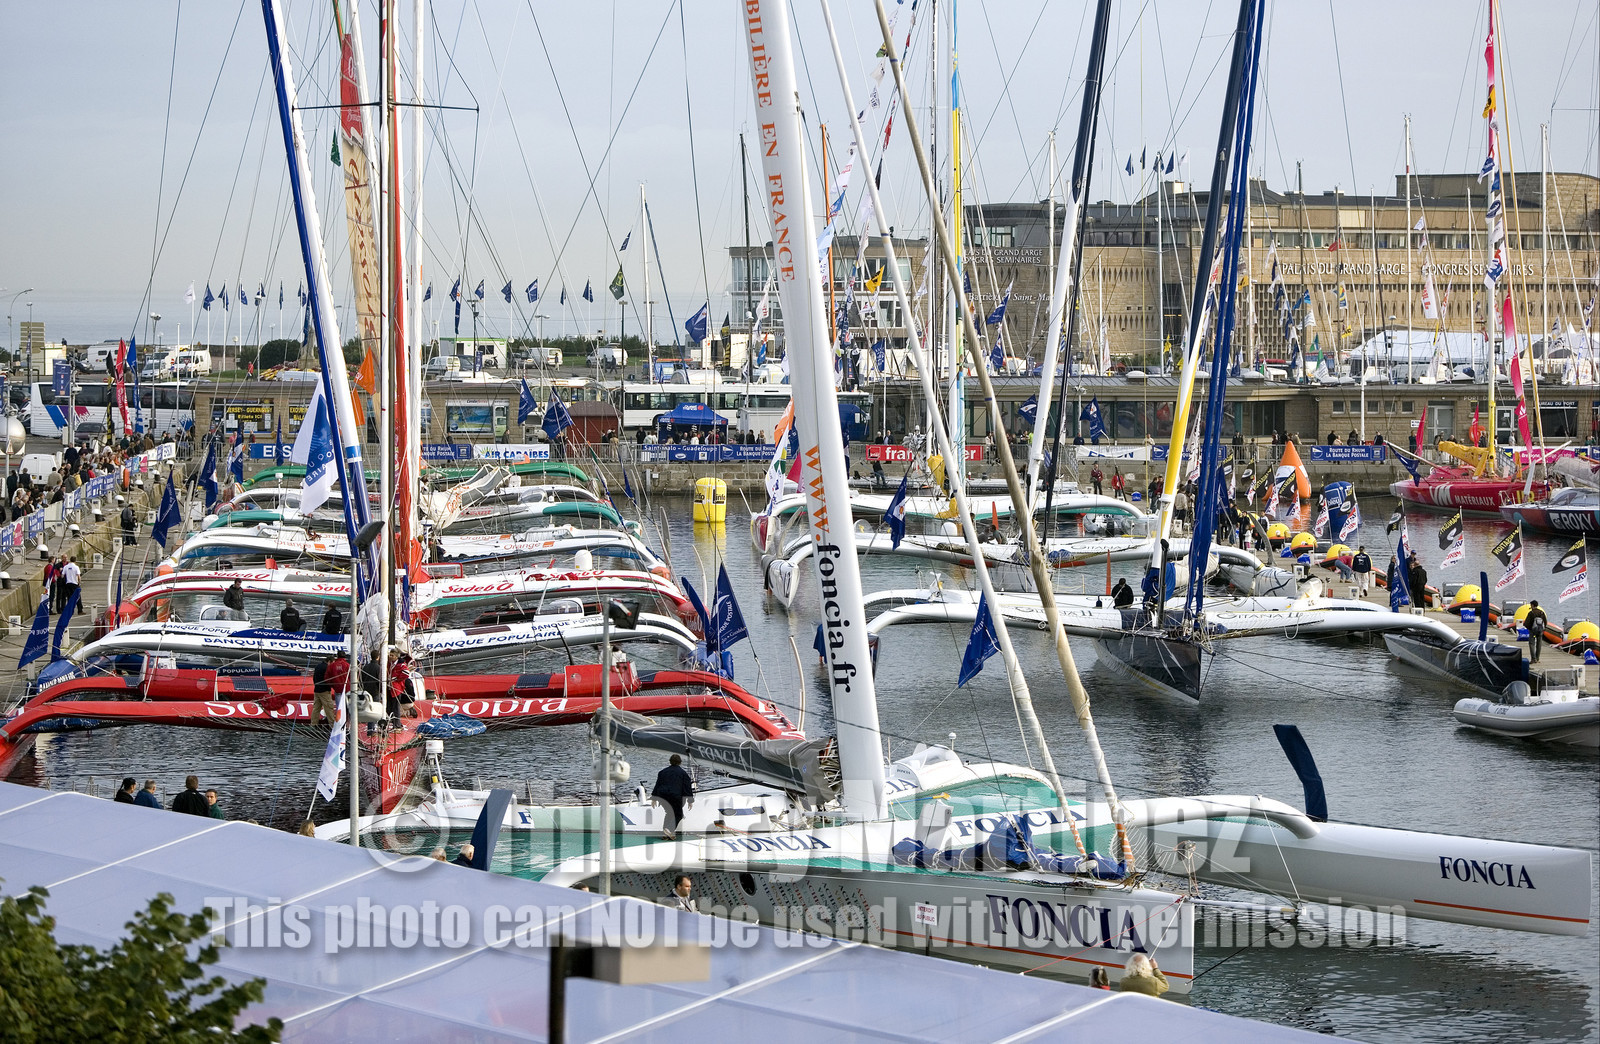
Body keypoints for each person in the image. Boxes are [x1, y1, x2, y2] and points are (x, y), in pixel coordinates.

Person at [651, 754, 695, 839]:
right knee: (678, 815)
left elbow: (657, 785)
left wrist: (654, 799)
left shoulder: (662, 772)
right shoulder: (683, 773)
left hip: (663, 796)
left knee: (669, 813)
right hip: (675, 797)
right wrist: (690, 801)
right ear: (680, 762)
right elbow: (687, 787)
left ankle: (666, 833)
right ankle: (669, 830)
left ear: (670, 761)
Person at [311, 652, 349, 725]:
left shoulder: (318, 666)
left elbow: (314, 677)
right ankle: (332, 725)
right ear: (329, 662)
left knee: (316, 708)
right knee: (329, 708)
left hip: (316, 690)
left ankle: (313, 724)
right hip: (324, 690)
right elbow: (327, 678)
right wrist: (332, 685)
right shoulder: (327, 667)